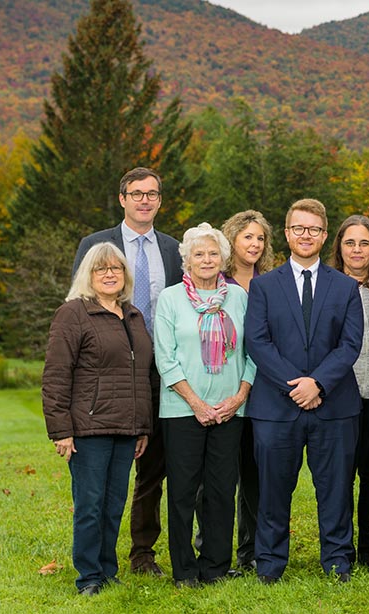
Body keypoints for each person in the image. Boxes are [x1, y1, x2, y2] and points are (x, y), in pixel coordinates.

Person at [244, 199, 364, 584]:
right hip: (277, 406)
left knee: (335, 490)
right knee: (273, 490)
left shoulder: (345, 287)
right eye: (298, 228)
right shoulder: (263, 286)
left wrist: (318, 384)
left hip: (334, 405)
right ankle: (270, 563)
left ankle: (337, 561)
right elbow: (258, 342)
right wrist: (296, 385)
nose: (305, 235)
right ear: (287, 233)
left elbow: (350, 343)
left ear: (324, 234)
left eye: (313, 229)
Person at [73, 167, 182, 577]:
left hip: (163, 372)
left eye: (152, 194)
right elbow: (79, 308)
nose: (144, 200)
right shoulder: (96, 245)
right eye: (136, 193)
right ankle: (97, 561)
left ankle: (142, 552)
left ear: (159, 200)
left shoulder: (173, 250)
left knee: (153, 467)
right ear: (122, 199)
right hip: (112, 377)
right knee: (107, 475)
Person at [43, 243, 153, 595]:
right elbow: (56, 375)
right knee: (90, 506)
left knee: (113, 505)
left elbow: (143, 376)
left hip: (126, 428)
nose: (109, 274)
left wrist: (142, 427)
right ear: (88, 275)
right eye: (101, 269)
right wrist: (61, 429)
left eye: (116, 268)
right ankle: (88, 576)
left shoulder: (133, 316)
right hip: (88, 429)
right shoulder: (73, 314)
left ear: (125, 275)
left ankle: (108, 570)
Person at [154, 223, 255, 587]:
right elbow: (165, 358)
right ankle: (184, 570)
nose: (207, 259)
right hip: (183, 410)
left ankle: (214, 567)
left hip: (230, 409)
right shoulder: (170, 299)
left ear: (224, 259)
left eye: (213, 253)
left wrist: (240, 396)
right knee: (181, 492)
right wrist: (196, 403)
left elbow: (252, 353)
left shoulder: (240, 299)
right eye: (199, 254)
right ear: (187, 260)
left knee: (220, 491)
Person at [331, 215, 369, 573]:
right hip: (342, 392)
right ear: (339, 247)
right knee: (339, 476)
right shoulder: (329, 286)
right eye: (350, 243)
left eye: (364, 243)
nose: (357, 250)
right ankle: (341, 550)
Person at [218, 209, 275, 572]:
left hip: (262, 394)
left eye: (260, 238)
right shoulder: (214, 283)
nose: (254, 244)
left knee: (256, 479)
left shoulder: (271, 283)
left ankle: (251, 550)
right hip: (223, 391)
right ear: (232, 240)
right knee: (220, 479)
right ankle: (214, 551)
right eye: (247, 237)